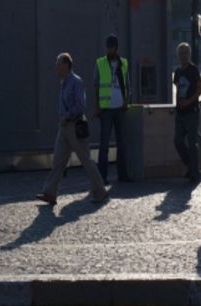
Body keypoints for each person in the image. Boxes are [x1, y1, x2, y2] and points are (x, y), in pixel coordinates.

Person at [37, 53, 108, 205]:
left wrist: (67, 116)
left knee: (86, 160)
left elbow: (80, 106)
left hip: (74, 126)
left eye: (58, 64)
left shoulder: (76, 82)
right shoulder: (63, 82)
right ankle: (50, 192)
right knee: (58, 161)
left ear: (66, 65)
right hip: (63, 127)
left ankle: (100, 191)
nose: (56, 67)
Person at [93, 34, 131, 184]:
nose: (108, 50)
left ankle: (123, 175)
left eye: (111, 47)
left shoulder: (124, 63)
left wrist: (126, 101)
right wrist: (96, 106)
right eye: (107, 47)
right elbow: (95, 85)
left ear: (116, 48)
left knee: (122, 143)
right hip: (106, 108)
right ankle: (102, 177)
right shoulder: (100, 63)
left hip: (120, 107)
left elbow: (128, 84)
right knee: (104, 145)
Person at [173, 42, 201, 182]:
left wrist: (189, 101)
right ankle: (191, 166)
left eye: (186, 53)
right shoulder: (178, 71)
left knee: (192, 143)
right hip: (180, 112)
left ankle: (195, 172)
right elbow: (178, 88)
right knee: (178, 141)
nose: (183, 55)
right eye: (181, 53)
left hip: (192, 111)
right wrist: (178, 103)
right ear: (178, 55)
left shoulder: (193, 69)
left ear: (189, 54)